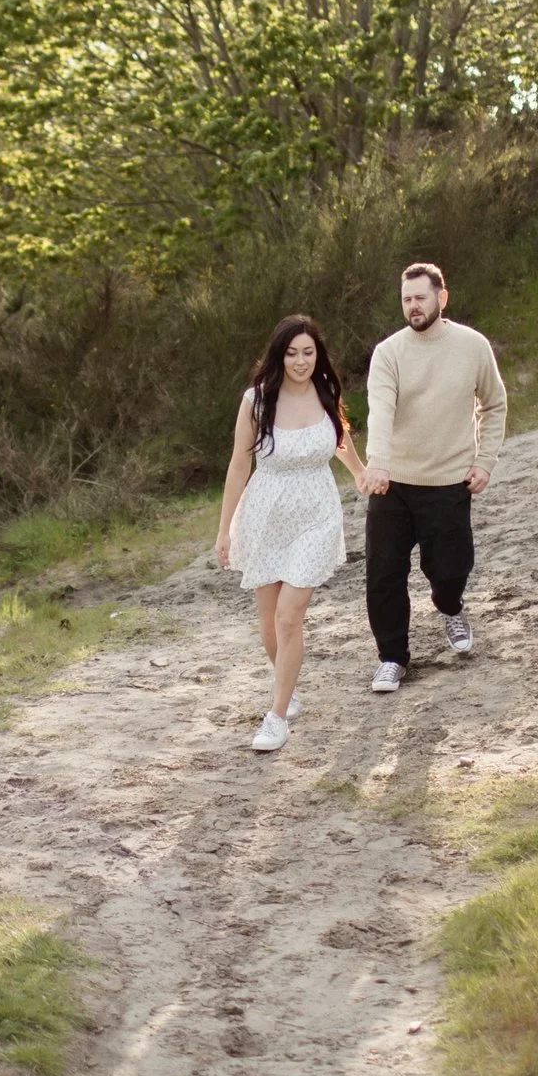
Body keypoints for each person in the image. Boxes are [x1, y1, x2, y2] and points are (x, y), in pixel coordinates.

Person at [214, 316, 368, 752]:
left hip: (317, 515)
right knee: (269, 622)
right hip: (266, 516)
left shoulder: (326, 390)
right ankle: (288, 686)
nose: (301, 361)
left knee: (288, 616)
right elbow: (239, 465)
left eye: (308, 352)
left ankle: (277, 717)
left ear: (318, 355)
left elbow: (339, 437)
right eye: (292, 353)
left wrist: (360, 472)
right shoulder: (257, 400)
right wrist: (224, 530)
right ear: (279, 355)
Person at [359, 262, 506, 692]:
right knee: (383, 574)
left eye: (420, 298)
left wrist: (485, 461)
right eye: (406, 299)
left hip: (448, 481)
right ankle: (392, 658)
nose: (413, 306)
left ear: (441, 297)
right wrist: (378, 462)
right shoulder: (389, 353)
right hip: (393, 483)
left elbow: (494, 404)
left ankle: (451, 607)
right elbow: (380, 410)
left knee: (450, 569)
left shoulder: (472, 346)